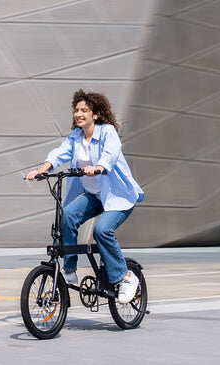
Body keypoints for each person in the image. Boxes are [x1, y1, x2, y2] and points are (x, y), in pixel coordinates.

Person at [25, 89, 144, 304]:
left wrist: (99, 167)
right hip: (94, 196)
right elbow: (58, 153)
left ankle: (125, 276)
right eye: (77, 110)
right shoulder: (76, 137)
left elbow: (111, 152)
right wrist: (42, 170)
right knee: (67, 215)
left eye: (84, 110)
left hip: (118, 197)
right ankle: (70, 267)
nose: (79, 114)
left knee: (102, 230)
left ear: (96, 114)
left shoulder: (107, 132)